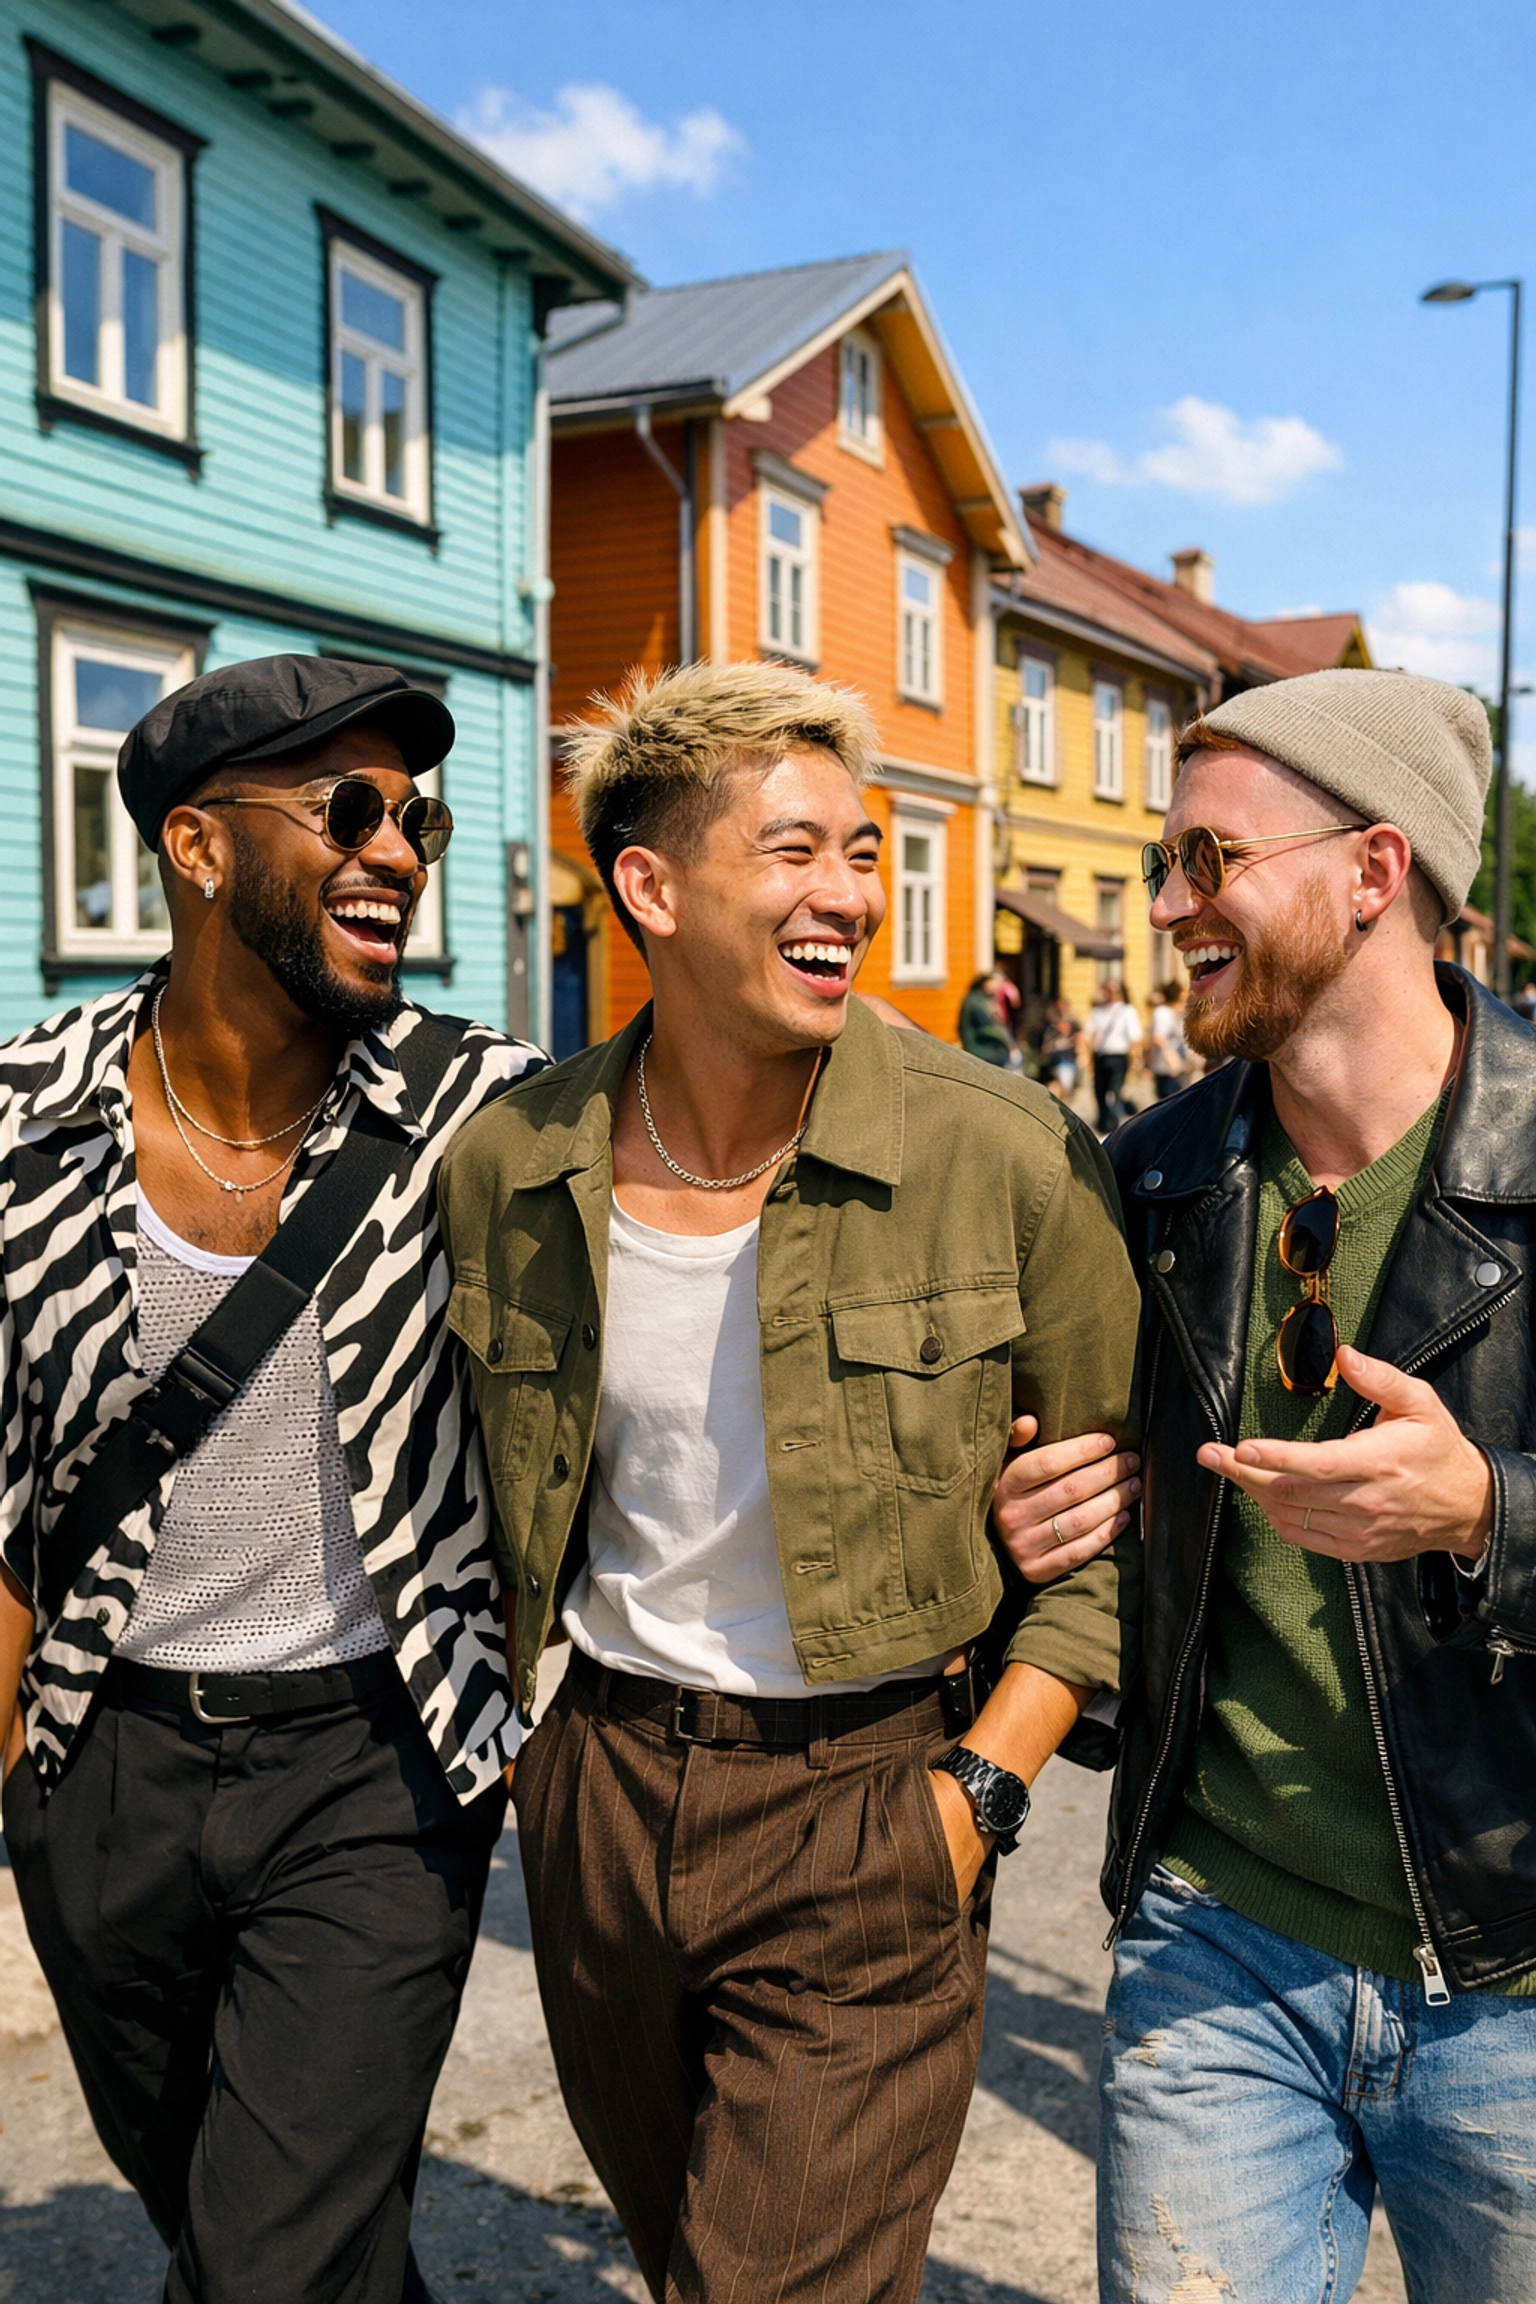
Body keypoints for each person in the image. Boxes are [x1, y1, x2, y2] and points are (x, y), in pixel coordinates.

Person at [439, 660, 1144, 2304]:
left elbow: (1115, 1537)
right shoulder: (514, 1162)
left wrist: (974, 1794)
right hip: (601, 1789)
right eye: (797, 851)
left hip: (875, 1791)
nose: (852, 892)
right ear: (651, 886)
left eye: (865, 850)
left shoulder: (1009, 1150)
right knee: (682, 2242)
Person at [0, 657, 543, 2304]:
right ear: (199, 845)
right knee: (268, 2229)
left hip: (373, 1761)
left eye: (419, 815)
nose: (400, 849)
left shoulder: (486, 1112)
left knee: (269, 2257)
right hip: (100, 1764)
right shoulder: (23, 1116)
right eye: (350, 808)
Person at [1078, 669, 1536, 2301]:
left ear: (1374, 867)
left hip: (1516, 1962)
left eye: (1211, 857)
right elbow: (1107, 1560)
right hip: (1216, 1938)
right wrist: (1049, 1542)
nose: (1170, 906)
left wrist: (1487, 1510)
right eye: (1160, 866)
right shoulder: (1151, 1177)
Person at [1084, 978, 1142, 1131]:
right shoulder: (1097, 1011)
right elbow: (1088, 1034)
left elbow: (1135, 1038)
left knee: (1115, 1091)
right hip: (1101, 1055)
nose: (1107, 994)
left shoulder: (1127, 1011)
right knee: (1099, 1091)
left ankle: (1117, 1125)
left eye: (1111, 991)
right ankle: (1103, 1123)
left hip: (1118, 1056)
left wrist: (1135, 1062)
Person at [959, 966, 1014, 1065]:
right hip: (978, 1047)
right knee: (1008, 1058)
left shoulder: (986, 999)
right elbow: (989, 1026)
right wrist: (1009, 1044)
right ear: (986, 981)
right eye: (996, 981)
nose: (998, 985)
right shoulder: (976, 1000)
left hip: (983, 1045)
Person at [1146, 978, 1188, 1101]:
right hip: (1166, 1068)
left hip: (1178, 1068)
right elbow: (1158, 1038)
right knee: (1171, 1101)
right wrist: (1171, 1057)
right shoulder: (1162, 1013)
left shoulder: (1175, 1014)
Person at [1039, 994, 1082, 1100]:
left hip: (1068, 1058)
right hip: (1053, 1059)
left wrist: (1082, 1054)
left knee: (1065, 1086)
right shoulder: (1050, 1023)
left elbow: (1080, 1039)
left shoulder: (1073, 1022)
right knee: (1056, 1086)